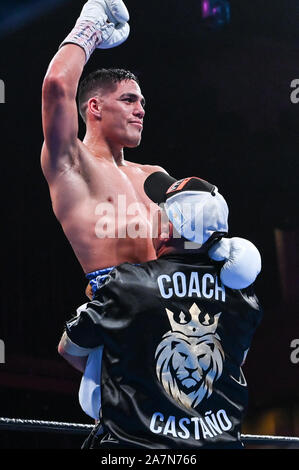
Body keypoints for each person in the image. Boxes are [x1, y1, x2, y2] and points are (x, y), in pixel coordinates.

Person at [41, 0, 261, 421]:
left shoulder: (156, 176)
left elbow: (195, 239)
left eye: (142, 101)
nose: (141, 109)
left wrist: (225, 255)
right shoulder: (73, 165)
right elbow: (56, 87)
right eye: (128, 100)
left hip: (178, 325)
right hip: (118, 328)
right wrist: (89, 28)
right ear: (95, 108)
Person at [58, 172, 263, 449]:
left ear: (169, 229)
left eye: (158, 211)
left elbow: (70, 349)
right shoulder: (244, 298)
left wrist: (133, 379)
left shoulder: (126, 284)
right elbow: (235, 364)